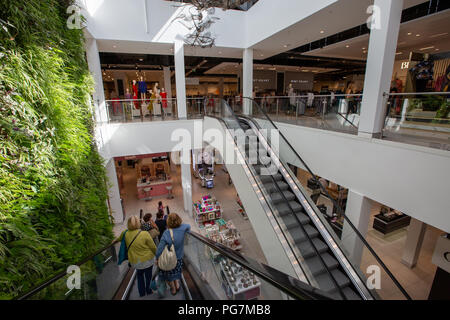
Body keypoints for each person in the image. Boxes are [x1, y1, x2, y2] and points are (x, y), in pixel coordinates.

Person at [116, 216, 156, 297]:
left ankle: (142, 293)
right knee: (148, 276)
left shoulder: (125, 233)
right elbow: (153, 247)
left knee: (139, 276)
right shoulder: (144, 234)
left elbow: (119, 239)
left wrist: (114, 240)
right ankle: (148, 291)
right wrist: (158, 255)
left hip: (135, 262)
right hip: (148, 260)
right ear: (138, 223)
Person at [155, 213, 191, 295]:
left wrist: (157, 258)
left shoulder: (166, 233)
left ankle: (173, 289)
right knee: (177, 272)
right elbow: (188, 226)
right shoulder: (183, 228)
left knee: (169, 274)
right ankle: (177, 285)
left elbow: (159, 249)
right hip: (179, 258)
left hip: (170, 259)